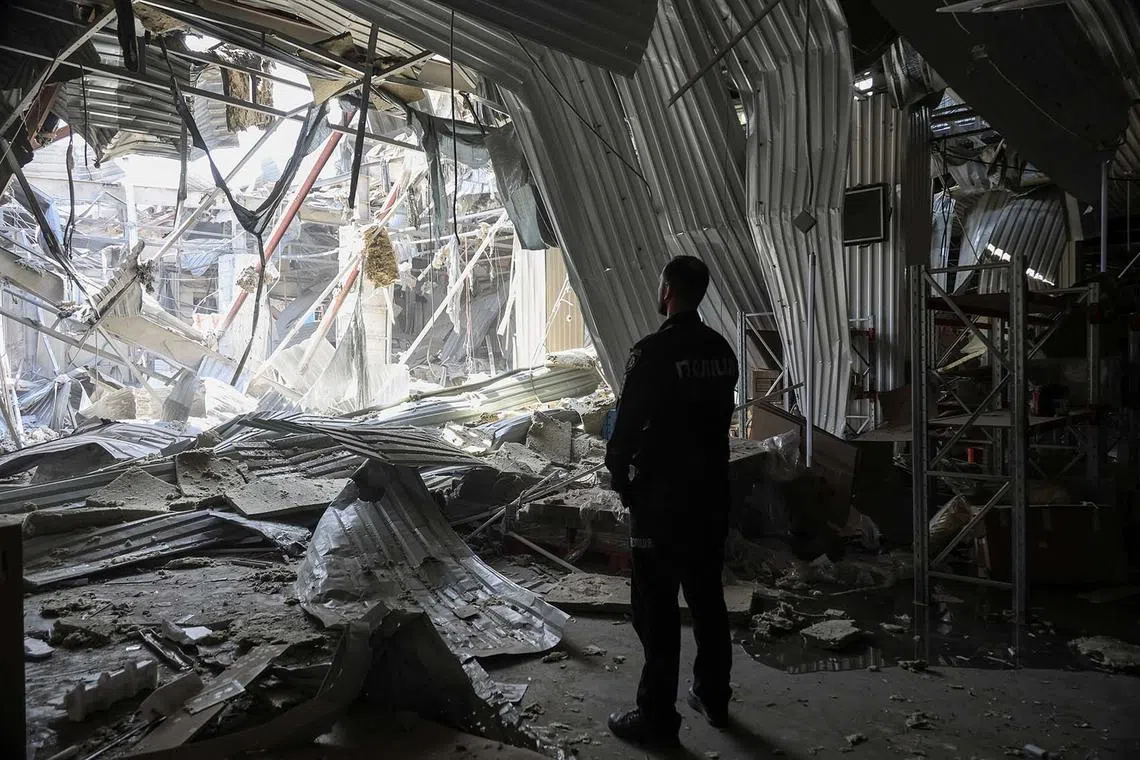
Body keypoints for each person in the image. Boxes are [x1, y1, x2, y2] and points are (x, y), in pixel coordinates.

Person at [604, 255, 739, 748]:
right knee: (707, 598)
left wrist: (619, 476)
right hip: (711, 496)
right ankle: (714, 694)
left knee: (656, 609)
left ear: (667, 291)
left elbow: (626, 427)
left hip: (662, 500)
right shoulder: (722, 350)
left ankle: (657, 717)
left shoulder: (652, 352)